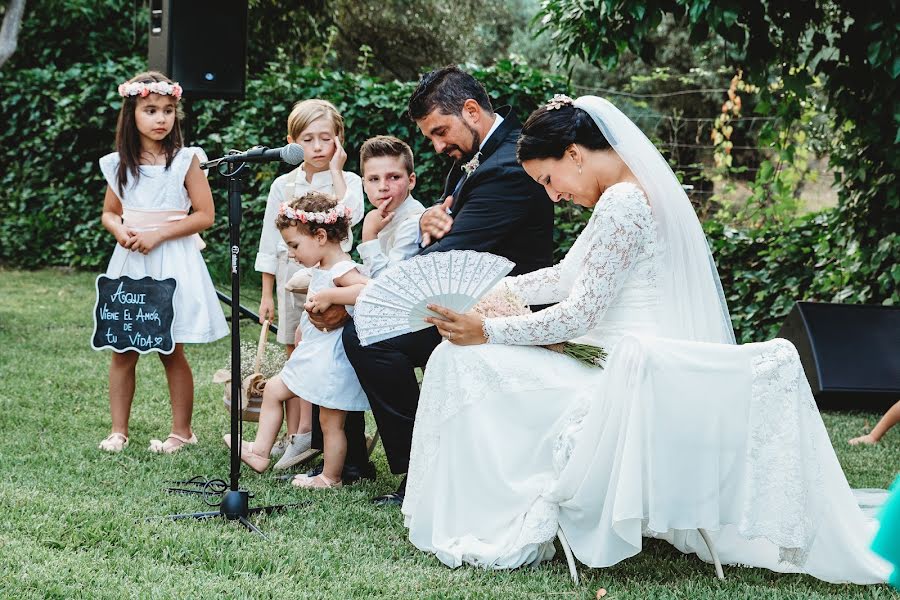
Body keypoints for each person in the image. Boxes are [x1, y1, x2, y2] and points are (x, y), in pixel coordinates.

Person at [400, 95, 890, 584]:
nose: (553, 196)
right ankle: (484, 504)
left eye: (549, 180)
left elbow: (579, 313)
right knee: (461, 360)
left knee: (464, 361)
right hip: (618, 364)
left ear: (573, 153)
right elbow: (569, 276)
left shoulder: (623, 202)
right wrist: (497, 291)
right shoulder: (624, 194)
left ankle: (486, 508)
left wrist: (488, 330)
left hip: (625, 378)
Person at [316, 66, 555, 503]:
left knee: (368, 335)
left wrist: (355, 296)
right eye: (430, 136)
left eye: (441, 131)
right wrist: (428, 225)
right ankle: (405, 462)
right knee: (367, 330)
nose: (437, 145)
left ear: (471, 111)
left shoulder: (508, 167)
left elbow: (450, 253)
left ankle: (420, 469)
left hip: (505, 309)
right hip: (465, 296)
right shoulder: (475, 157)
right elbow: (442, 238)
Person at [97, 71, 228, 454]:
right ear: (131, 114)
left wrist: (158, 234)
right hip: (131, 261)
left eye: (168, 110)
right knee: (124, 347)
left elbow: (204, 215)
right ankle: (118, 430)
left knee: (171, 347)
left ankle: (182, 431)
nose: (161, 118)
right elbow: (109, 212)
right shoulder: (119, 163)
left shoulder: (186, 160)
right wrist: (120, 230)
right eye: (151, 110)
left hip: (171, 259)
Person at [226, 192, 369, 489]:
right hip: (315, 353)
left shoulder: (343, 269)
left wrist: (331, 295)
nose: (291, 253)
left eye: (294, 245)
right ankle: (260, 452)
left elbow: (367, 290)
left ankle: (330, 477)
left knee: (331, 422)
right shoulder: (323, 268)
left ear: (319, 236)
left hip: (331, 359)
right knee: (274, 391)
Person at [254, 99, 365, 470]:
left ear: (339, 141)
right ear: (292, 141)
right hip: (292, 276)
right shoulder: (284, 184)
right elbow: (271, 243)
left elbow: (349, 221)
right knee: (293, 352)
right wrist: (267, 292)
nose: (318, 147)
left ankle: (311, 437)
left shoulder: (349, 181)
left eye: (326, 138)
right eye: (308, 139)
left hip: (327, 278)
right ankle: (296, 434)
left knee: (319, 352)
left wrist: (337, 171)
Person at [356, 135, 426, 278]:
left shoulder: (413, 223)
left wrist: (369, 235)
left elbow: (386, 283)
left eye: (394, 177)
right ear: (364, 185)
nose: (383, 187)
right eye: (374, 179)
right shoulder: (381, 216)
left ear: (411, 181)